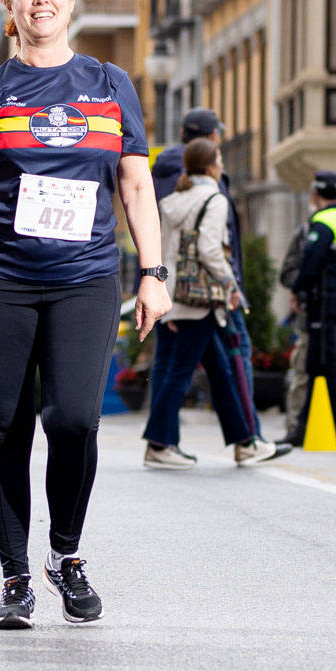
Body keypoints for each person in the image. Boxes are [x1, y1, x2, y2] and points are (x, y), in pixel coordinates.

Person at [0, 0, 170, 630]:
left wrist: (154, 275)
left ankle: (65, 554)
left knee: (74, 419)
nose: (40, 0)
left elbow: (135, 183)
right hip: (1, 281)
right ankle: (14, 578)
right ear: (11, 10)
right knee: (7, 429)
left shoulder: (109, 82)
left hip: (87, 279)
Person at [141, 138, 285, 469]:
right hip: (203, 299)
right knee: (181, 372)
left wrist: (169, 298)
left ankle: (244, 442)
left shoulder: (175, 200)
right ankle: (159, 444)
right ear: (209, 166)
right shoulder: (214, 199)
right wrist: (230, 284)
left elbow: (164, 251)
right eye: (219, 160)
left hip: (181, 296)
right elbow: (209, 250)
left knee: (219, 373)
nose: (222, 166)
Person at [279, 214, 336, 444]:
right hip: (314, 314)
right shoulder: (304, 232)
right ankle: (297, 427)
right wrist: (301, 287)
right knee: (306, 370)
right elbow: (289, 272)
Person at [292, 170, 336, 447]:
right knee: (320, 363)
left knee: (326, 364)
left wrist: (298, 290)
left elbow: (311, 263)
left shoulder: (322, 222)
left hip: (323, 300)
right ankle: (303, 427)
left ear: (315, 194)